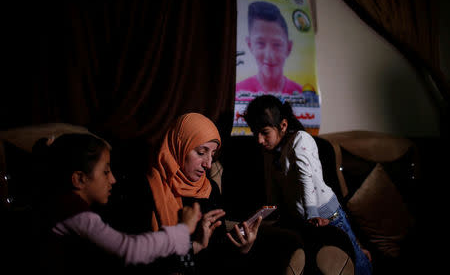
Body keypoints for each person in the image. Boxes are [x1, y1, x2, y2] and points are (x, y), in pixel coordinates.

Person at [33, 133, 202, 274]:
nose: (113, 180)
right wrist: (183, 229)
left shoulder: (73, 206)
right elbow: (129, 249)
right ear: (79, 178)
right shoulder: (73, 210)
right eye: (106, 172)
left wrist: (195, 244)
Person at [244, 95, 373, 275]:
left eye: (264, 132)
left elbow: (307, 180)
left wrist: (312, 215)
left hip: (327, 215)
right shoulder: (269, 153)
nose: (258, 140)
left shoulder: (300, 140)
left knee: (357, 266)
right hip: (306, 222)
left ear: (283, 125)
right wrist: (258, 218)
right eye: (254, 132)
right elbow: (272, 194)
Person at [146, 112, 262, 274]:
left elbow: (218, 252)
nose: (208, 164)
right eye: (201, 152)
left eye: (212, 154)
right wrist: (196, 245)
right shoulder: (150, 186)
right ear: (180, 145)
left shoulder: (210, 188)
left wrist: (243, 248)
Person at [236, 1, 303, 100]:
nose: (269, 55)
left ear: (289, 48)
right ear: (250, 45)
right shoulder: (238, 93)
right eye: (260, 43)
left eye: (277, 44)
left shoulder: (302, 94)